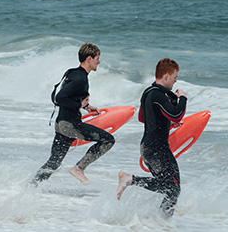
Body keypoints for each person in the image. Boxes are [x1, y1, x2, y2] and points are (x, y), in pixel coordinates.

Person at [32, 43, 115, 185]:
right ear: (89, 58)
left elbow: (69, 97)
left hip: (62, 123)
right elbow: (60, 98)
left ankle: (31, 185)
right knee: (108, 140)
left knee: (54, 162)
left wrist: (86, 107)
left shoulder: (74, 73)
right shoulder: (80, 78)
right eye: (97, 58)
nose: (99, 62)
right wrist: (79, 105)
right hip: (70, 125)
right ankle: (79, 168)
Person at [117, 58, 187, 217]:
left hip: (147, 148)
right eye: (175, 77)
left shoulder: (148, 92)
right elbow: (176, 114)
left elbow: (144, 117)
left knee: (167, 187)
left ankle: (160, 222)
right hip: (158, 149)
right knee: (173, 188)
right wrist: (182, 97)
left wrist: (166, 124)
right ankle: (130, 180)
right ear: (167, 76)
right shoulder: (159, 94)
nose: (176, 81)